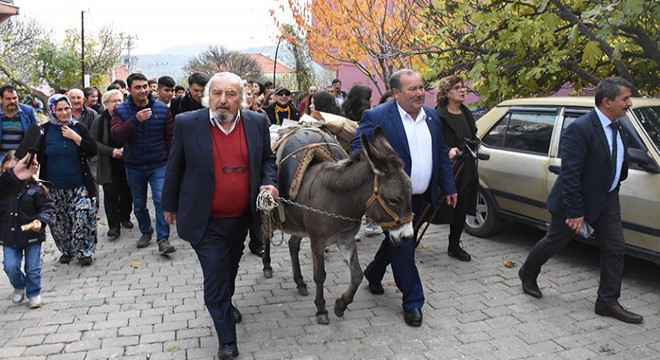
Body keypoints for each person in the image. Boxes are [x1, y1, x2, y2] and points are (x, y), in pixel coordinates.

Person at [162, 72, 277, 360]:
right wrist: (168, 203)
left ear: (242, 98)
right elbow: (174, 165)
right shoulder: (188, 123)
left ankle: (226, 302)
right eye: (217, 94)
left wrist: (269, 182)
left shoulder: (257, 122)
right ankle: (227, 339)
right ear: (207, 97)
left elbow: (267, 160)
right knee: (215, 273)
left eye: (231, 94)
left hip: (241, 217)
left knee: (230, 266)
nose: (223, 101)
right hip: (205, 218)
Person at [518, 77, 643, 324]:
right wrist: (575, 211)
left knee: (615, 249)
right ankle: (528, 272)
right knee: (555, 242)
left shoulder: (618, 125)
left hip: (607, 199)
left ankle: (607, 302)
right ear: (607, 102)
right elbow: (570, 174)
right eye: (625, 99)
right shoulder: (580, 128)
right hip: (574, 202)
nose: (629, 103)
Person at [350, 69, 457, 327]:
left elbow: (440, 153)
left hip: (421, 197)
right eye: (413, 89)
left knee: (399, 241)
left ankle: (374, 273)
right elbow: (356, 151)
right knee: (405, 249)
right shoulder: (377, 116)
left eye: (422, 87)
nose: (420, 93)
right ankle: (413, 302)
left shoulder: (431, 116)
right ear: (396, 92)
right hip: (394, 202)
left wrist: (449, 186)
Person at [111, 73, 176, 255]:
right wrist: (135, 120)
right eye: (138, 87)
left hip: (159, 164)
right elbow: (116, 135)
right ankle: (146, 231)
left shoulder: (162, 110)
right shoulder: (121, 110)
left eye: (145, 86)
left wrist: (171, 162)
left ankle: (163, 239)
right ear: (130, 90)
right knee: (139, 204)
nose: (143, 90)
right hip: (134, 165)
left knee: (160, 200)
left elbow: (170, 138)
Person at [37, 94, 98, 266]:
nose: (64, 113)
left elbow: (92, 149)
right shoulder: (45, 130)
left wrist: (76, 138)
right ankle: (67, 250)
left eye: (67, 109)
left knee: (83, 216)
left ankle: (84, 251)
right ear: (52, 111)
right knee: (59, 223)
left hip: (79, 185)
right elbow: (35, 155)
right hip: (54, 188)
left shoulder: (79, 127)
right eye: (60, 110)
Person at [0, 151, 55, 309]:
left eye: (14, 169)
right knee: (10, 266)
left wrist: (40, 221)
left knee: (33, 267)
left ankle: (34, 292)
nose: (11, 174)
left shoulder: (35, 188)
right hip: (9, 235)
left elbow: (47, 207)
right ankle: (19, 286)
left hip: (31, 235)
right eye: (5, 171)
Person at [435, 75, 478, 262]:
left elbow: (473, 136)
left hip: (466, 168)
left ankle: (454, 245)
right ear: (446, 92)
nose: (463, 90)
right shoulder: (438, 114)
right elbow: (433, 141)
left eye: (463, 87)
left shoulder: (467, 113)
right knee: (432, 206)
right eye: (457, 87)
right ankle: (412, 235)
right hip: (447, 168)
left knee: (461, 207)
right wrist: (447, 150)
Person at [90, 89, 133, 241]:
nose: (117, 104)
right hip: (108, 163)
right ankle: (113, 227)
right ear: (106, 103)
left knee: (127, 191)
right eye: (114, 101)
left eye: (120, 100)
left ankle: (125, 217)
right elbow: (93, 142)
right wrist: (111, 151)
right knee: (110, 194)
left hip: (127, 161)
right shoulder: (100, 120)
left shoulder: (128, 117)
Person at [0, 85, 38, 157]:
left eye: (15, 98)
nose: (12, 101)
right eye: (8, 99)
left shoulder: (27, 111)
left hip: (21, 156)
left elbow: (35, 134)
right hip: (1, 156)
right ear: (1, 99)